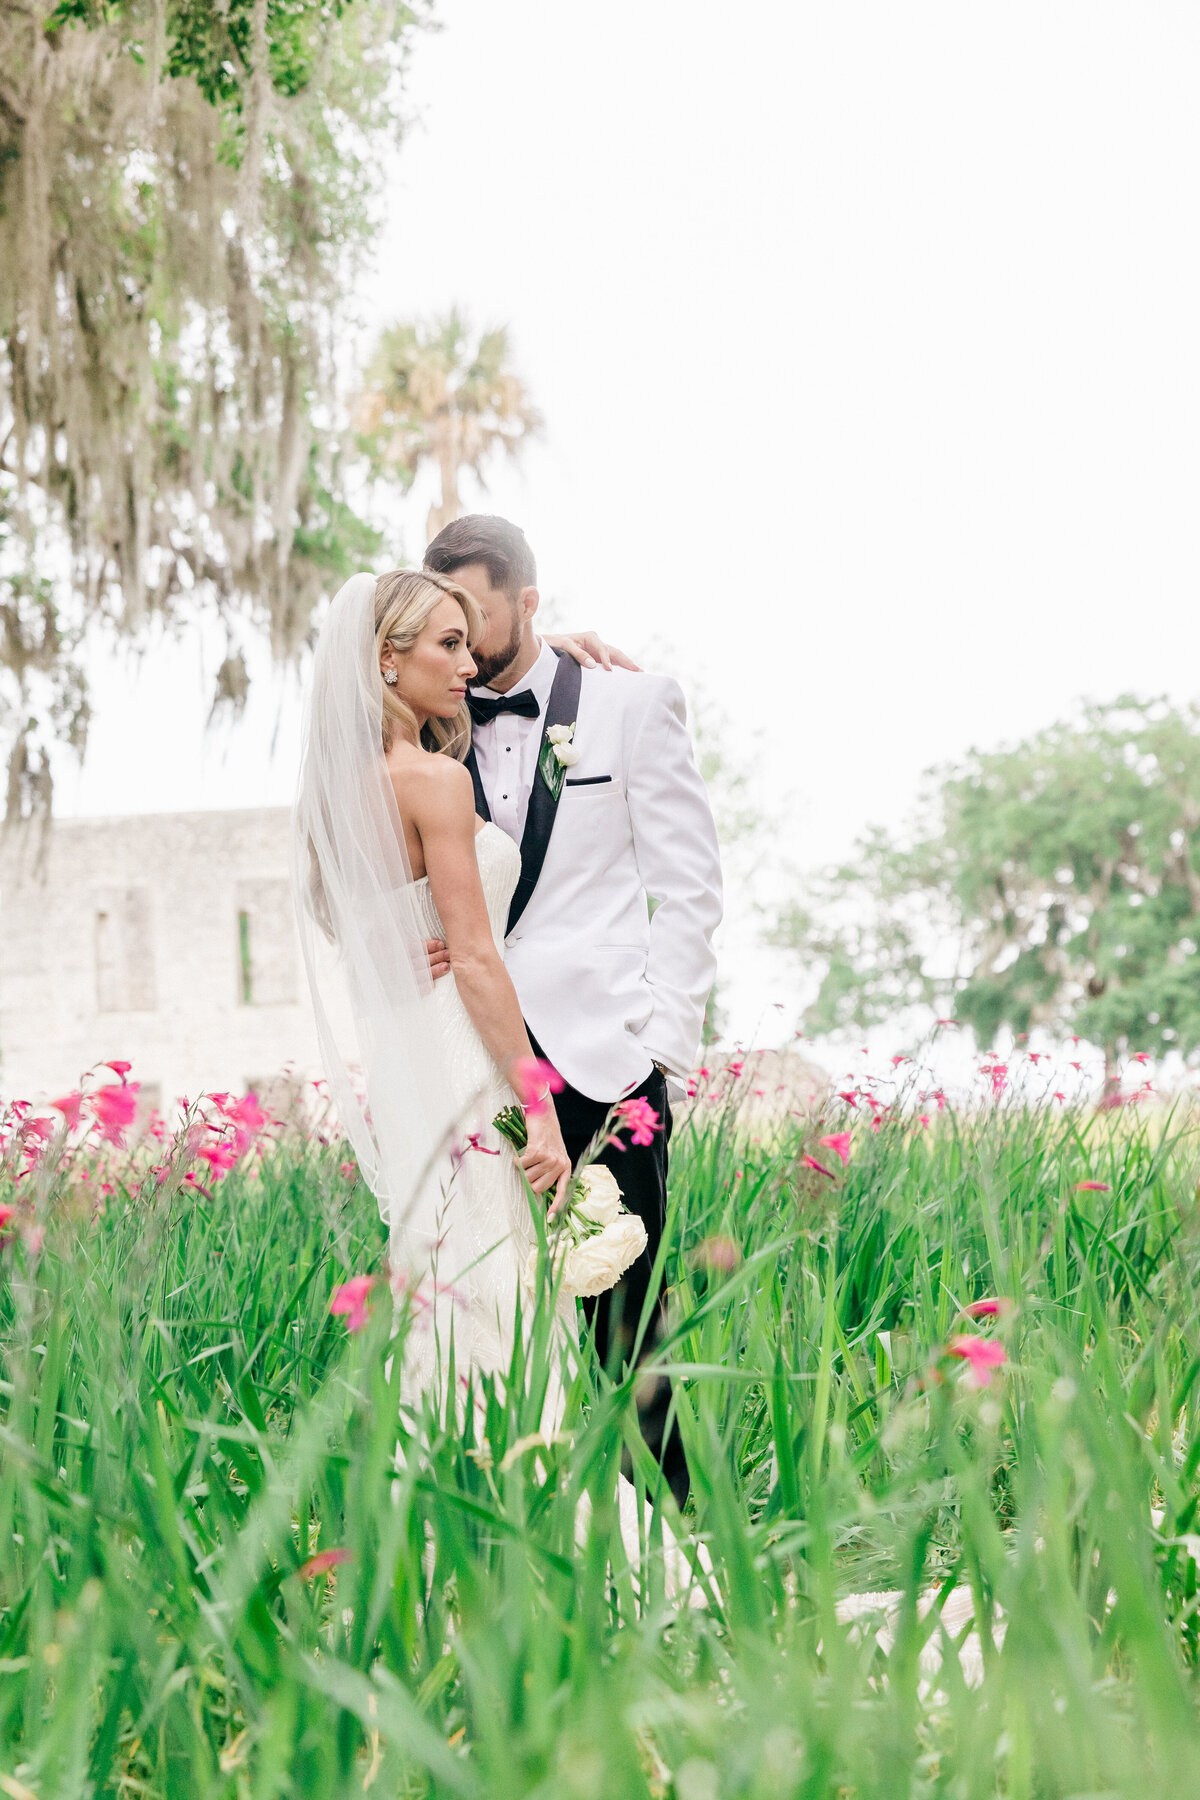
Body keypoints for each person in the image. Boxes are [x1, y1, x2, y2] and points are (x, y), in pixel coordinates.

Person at [424, 515, 723, 1507]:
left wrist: (660, 1051)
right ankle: (530, 1547)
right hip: (474, 1066)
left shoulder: (631, 707)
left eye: (475, 616)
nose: (460, 641)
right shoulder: (429, 716)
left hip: (605, 1063)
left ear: (529, 602)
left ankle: (676, 1555)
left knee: (628, 1334)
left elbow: (690, 887)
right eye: (445, 622)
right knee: (493, 1318)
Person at [294, 567, 628, 1407]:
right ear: (385, 660)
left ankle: (446, 1493)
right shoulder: (432, 779)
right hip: (464, 1059)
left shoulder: (336, 789)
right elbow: (476, 961)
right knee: (500, 1289)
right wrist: (541, 1109)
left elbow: (341, 916)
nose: (470, 665)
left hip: (409, 1070)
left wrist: (392, 946)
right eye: (449, 645)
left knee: (443, 1281)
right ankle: (525, 1488)